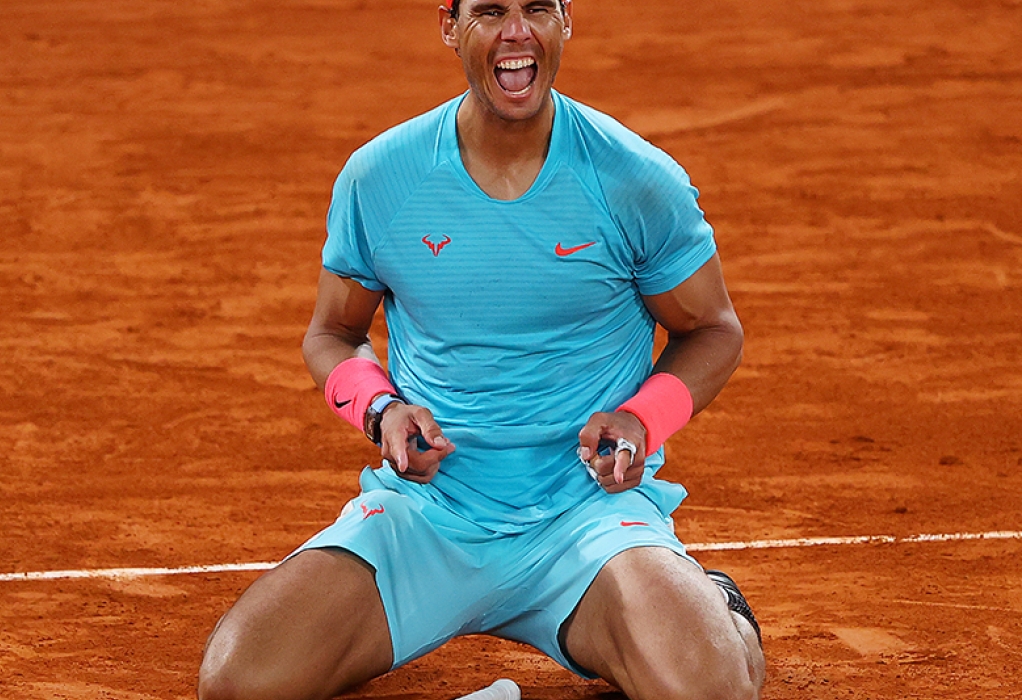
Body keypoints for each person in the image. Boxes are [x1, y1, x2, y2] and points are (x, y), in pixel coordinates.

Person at [198, 1, 765, 699]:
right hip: (428, 517)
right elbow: (333, 333)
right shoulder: (382, 179)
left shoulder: (634, 180)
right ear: (449, 26)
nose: (515, 31)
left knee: (713, 692)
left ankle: (717, 608)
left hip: (587, 523)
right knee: (238, 683)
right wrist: (381, 411)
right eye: (490, 10)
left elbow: (713, 329)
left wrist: (643, 418)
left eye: (535, 8)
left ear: (565, 22)